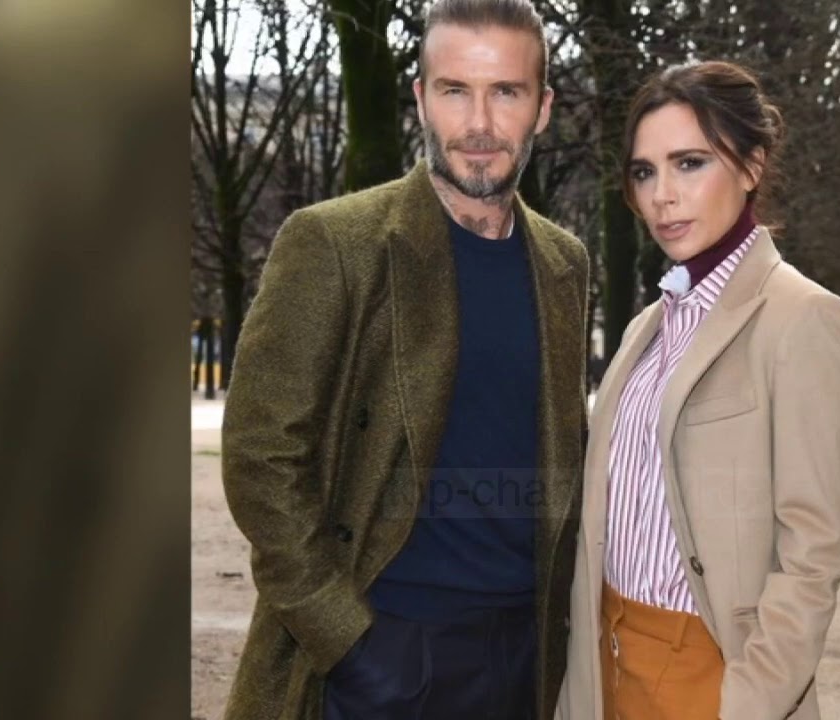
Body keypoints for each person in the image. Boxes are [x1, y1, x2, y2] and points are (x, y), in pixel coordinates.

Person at [219, 1, 589, 718]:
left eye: (506, 92)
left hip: (526, 656)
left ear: (542, 108)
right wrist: (348, 642)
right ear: (420, 98)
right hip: (382, 649)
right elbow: (261, 455)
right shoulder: (334, 243)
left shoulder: (564, 263)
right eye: (455, 90)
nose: (479, 123)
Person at [559, 61, 840, 720]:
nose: (662, 195)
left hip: (711, 677)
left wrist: (746, 704)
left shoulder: (805, 320)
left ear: (752, 166)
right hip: (606, 665)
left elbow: (814, 554)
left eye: (690, 163)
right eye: (644, 172)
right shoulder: (647, 329)